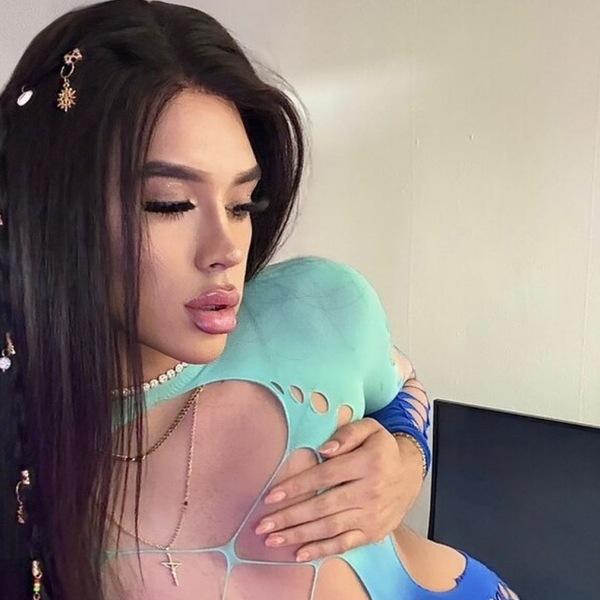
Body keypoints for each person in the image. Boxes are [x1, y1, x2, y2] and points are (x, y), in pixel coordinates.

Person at [0, 1, 519, 598]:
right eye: (169, 204)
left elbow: (402, 384)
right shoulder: (30, 445)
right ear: (49, 213)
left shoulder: (316, 305)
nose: (225, 249)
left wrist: (406, 457)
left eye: (241, 204)